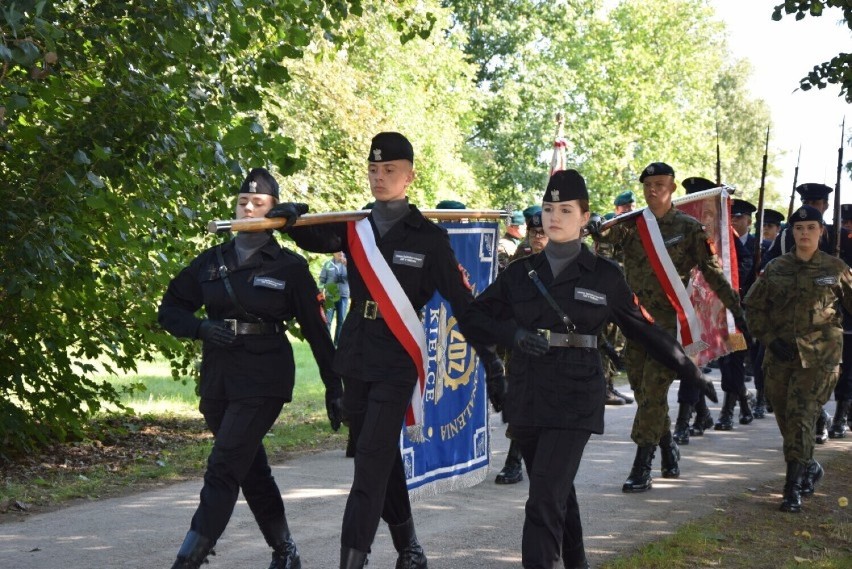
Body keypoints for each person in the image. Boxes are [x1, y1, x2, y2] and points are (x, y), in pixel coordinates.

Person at [266, 132, 504, 569]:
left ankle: (351, 561)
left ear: (409, 176)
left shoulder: (429, 239)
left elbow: (462, 303)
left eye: (389, 170)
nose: (379, 177)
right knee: (378, 455)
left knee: (368, 470)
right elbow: (313, 240)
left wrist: (491, 358)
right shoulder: (355, 226)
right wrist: (292, 219)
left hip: (397, 360)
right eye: (373, 170)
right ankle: (410, 548)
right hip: (355, 354)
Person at [460, 169, 718, 569]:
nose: (554, 217)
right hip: (527, 393)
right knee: (557, 492)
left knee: (544, 498)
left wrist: (690, 370)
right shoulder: (519, 274)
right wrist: (513, 335)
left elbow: (644, 330)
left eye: (565, 209)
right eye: (548, 209)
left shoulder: (606, 276)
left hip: (576, 394)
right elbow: (474, 319)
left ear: (584, 217)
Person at [157, 167, 344, 569]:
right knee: (249, 468)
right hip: (218, 379)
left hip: (265, 377)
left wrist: (334, 385)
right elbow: (169, 309)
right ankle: (286, 551)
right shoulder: (211, 261)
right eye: (243, 200)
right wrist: (200, 327)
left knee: (224, 465)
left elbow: (316, 331)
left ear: (274, 212)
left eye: (259, 203)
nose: (248, 206)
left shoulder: (289, 267)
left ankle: (188, 559)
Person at [589, 164, 747, 491]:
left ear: (672, 188)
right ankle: (667, 446)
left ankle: (642, 466)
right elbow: (601, 245)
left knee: (652, 394)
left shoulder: (689, 229)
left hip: (668, 327)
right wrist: (594, 227)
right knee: (645, 392)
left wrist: (735, 309)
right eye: (647, 185)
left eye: (659, 184)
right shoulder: (631, 227)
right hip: (635, 325)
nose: (652, 190)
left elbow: (713, 272)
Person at [744, 204, 852, 512]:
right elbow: (752, 307)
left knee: (803, 416)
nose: (804, 233)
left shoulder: (835, 268)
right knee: (786, 418)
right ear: (792, 233)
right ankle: (809, 466)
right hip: (779, 357)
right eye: (799, 229)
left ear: (822, 232)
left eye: (811, 228)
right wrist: (769, 340)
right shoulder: (776, 267)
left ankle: (792, 488)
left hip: (820, 360)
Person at [493, 210, 550, 486]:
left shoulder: (570, 261)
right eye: (534, 233)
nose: (538, 238)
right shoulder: (520, 262)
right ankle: (514, 461)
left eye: (543, 233)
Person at [714, 198, 757, 431]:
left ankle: (727, 411)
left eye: (739, 217)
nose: (734, 221)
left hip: (744, 315)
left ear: (749, 221)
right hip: (723, 311)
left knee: (735, 359)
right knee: (726, 360)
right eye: (731, 217)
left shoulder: (755, 245)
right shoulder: (722, 243)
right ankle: (744, 403)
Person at [319, 251, 350, 346]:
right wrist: (320, 295)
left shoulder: (348, 264)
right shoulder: (328, 264)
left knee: (341, 320)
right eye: (338, 251)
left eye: (342, 251)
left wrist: (347, 264)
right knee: (327, 320)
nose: (340, 253)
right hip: (330, 297)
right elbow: (322, 280)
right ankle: (326, 342)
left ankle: (337, 343)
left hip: (343, 296)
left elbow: (354, 277)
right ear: (333, 253)